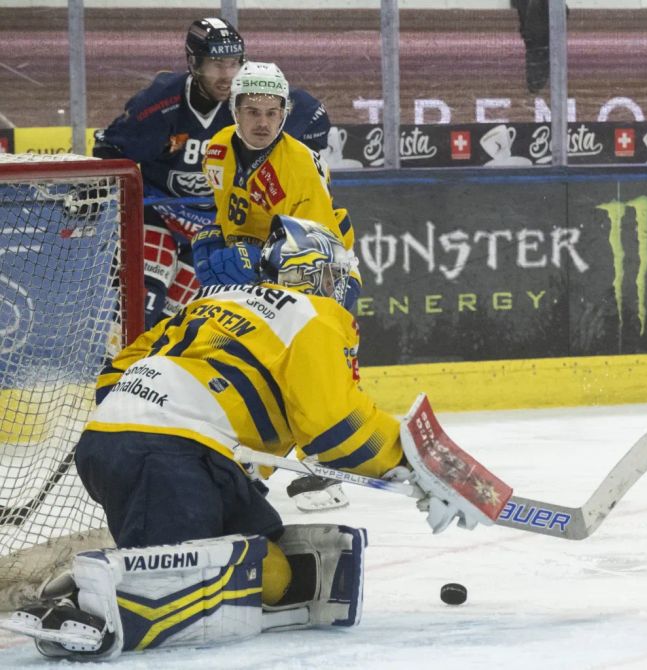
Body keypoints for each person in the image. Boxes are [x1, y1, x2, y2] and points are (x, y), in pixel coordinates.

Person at [3, 217, 489, 661]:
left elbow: (114, 375)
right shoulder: (314, 316)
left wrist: (179, 416)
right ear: (319, 275)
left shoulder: (214, 299)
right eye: (337, 278)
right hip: (169, 456)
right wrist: (407, 460)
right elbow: (336, 429)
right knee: (175, 584)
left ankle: (99, 585)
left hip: (143, 447)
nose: (341, 290)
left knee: (274, 573)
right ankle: (82, 608)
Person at [93, 17, 331, 329]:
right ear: (193, 63)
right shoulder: (159, 102)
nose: (227, 75)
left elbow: (314, 117)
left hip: (213, 225)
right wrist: (92, 195)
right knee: (143, 298)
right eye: (216, 65)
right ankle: (116, 371)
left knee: (175, 321)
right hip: (158, 212)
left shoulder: (250, 101)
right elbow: (110, 147)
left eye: (234, 64)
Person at [193, 60, 360, 312]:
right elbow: (229, 206)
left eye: (271, 113)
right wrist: (219, 235)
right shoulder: (218, 148)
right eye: (252, 112)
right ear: (235, 111)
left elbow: (321, 260)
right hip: (262, 261)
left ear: (283, 114)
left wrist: (258, 265)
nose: (263, 123)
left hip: (328, 273)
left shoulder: (299, 169)